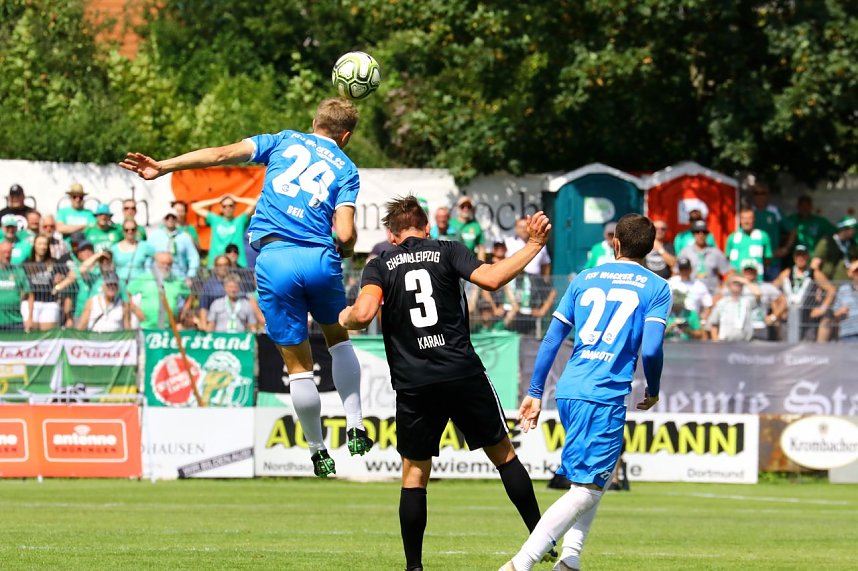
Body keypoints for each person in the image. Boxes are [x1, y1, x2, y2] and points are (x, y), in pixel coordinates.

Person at [120, 97, 372, 476]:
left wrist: (164, 166)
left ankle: (318, 449)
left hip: (274, 259)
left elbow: (222, 155)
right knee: (338, 340)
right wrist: (348, 249)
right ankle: (355, 424)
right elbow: (347, 231)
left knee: (299, 368)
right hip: (319, 258)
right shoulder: (348, 169)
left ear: (313, 121)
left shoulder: (284, 140)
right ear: (347, 135)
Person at [339, 196, 553, 571]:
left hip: (415, 383)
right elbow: (492, 278)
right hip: (461, 372)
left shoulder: (379, 264)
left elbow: (364, 314)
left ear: (391, 235)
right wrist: (534, 245)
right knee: (504, 456)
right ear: (426, 228)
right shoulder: (447, 250)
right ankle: (541, 539)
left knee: (415, 475)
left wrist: (344, 316)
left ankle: (414, 567)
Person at [499, 213, 670, 571]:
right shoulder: (657, 287)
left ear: (615, 243)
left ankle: (571, 558)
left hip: (570, 389)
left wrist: (534, 390)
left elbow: (552, 338)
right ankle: (520, 563)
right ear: (651, 248)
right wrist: (653, 389)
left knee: (598, 476)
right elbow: (652, 350)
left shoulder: (585, 278)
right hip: (603, 393)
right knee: (587, 489)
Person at [773, 244, 837, 342]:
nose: (800, 258)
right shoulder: (787, 273)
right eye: (798, 255)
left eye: (803, 255)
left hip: (807, 319)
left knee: (807, 347)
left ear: (807, 257)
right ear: (794, 257)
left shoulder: (814, 273)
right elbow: (772, 289)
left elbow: (831, 290)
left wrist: (822, 308)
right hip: (788, 318)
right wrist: (777, 308)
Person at [126, 251, 191, 330]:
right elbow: (126, 293)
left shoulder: (177, 281)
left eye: (169, 264)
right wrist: (135, 309)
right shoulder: (144, 279)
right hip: (147, 327)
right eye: (162, 263)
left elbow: (189, 296)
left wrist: (183, 312)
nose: (165, 266)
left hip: (170, 328)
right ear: (155, 264)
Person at [191, 194, 257, 268]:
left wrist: (236, 199)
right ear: (221, 208)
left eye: (230, 205)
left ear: (235, 207)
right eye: (224, 206)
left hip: (237, 265)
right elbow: (195, 207)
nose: (227, 208)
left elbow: (255, 203)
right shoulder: (215, 220)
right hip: (216, 265)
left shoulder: (240, 221)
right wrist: (218, 200)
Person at [22, 234, 69, 331]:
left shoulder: (54, 263)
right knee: (31, 331)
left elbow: (69, 276)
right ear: (34, 245)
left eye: (45, 244)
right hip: (31, 302)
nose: (42, 247)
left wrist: (59, 284)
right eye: (40, 244)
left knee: (47, 334)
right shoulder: (27, 263)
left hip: (49, 302)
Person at [677, 220, 732, 295]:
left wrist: (721, 292)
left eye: (704, 232)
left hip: (712, 294)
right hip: (691, 295)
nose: (701, 234)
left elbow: (730, 272)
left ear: (707, 234)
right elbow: (676, 272)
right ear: (693, 234)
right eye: (697, 232)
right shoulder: (685, 252)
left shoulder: (715, 252)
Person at [147, 210, 200, 284]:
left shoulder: (184, 237)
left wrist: (190, 275)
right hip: (158, 279)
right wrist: (149, 275)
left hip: (179, 279)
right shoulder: (154, 236)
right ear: (163, 220)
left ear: (177, 219)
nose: (170, 219)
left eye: (173, 217)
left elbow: (194, 257)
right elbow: (148, 257)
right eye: (167, 217)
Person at [708, 275, 761, 342]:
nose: (737, 286)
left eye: (739, 284)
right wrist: (716, 342)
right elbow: (714, 324)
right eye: (734, 283)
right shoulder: (722, 303)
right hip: (725, 342)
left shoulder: (747, 301)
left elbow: (758, 294)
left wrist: (745, 281)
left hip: (745, 342)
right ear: (729, 286)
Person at [725, 207, 772, 279]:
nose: (747, 221)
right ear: (740, 220)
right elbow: (727, 259)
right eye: (744, 218)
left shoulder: (763, 236)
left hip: (757, 280)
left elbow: (767, 259)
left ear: (754, 219)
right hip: (737, 281)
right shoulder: (732, 238)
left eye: (749, 218)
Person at [811, 215, 858, 282]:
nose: (854, 231)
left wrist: (854, 265)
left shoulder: (852, 243)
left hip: (849, 281)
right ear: (844, 229)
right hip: (831, 281)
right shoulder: (827, 241)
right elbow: (814, 265)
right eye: (852, 229)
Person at [668, 257, 714, 323]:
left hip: (692, 321)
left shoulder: (699, 285)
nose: (684, 272)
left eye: (686, 269)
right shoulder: (671, 282)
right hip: (673, 320)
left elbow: (708, 305)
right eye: (682, 269)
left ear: (691, 269)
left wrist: (703, 321)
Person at [111, 220, 155, 284]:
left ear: (136, 230)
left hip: (140, 285)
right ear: (123, 231)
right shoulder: (114, 249)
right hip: (121, 285)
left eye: (133, 229)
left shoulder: (144, 246)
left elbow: (159, 257)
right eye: (127, 230)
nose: (130, 232)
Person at [0, 241, 30, 331]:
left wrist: (29, 317)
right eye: (4, 252)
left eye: (9, 252)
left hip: (15, 321)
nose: (7, 255)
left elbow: (28, 293)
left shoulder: (18, 271)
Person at [449, 196, 485, 260]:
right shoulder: (449, 224)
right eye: (463, 206)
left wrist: (482, 267)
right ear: (458, 208)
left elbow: (481, 248)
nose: (466, 209)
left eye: (469, 206)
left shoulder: (476, 226)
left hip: (469, 265)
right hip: (450, 264)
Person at [833, 261, 858, 342]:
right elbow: (835, 312)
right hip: (847, 334)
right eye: (856, 271)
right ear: (850, 273)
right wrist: (840, 311)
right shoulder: (843, 289)